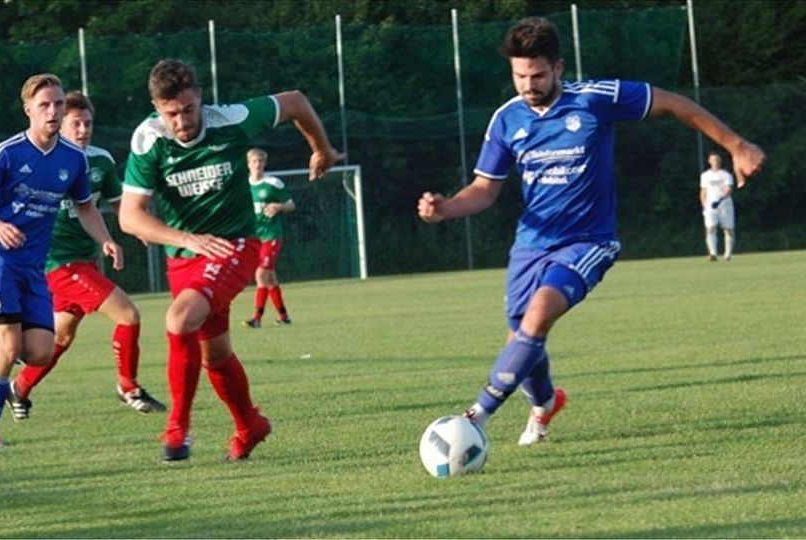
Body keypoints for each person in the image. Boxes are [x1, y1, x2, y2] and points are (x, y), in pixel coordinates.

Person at [417, 17, 764, 448]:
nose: (528, 84)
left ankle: (474, 419)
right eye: (520, 75)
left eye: (538, 74)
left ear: (559, 67)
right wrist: (445, 208)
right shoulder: (507, 120)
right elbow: (485, 190)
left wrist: (736, 145)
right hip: (531, 244)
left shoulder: (595, 99)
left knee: (539, 314)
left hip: (589, 241)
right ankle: (544, 404)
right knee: (522, 340)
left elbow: (675, 103)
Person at [118, 58, 342, 462]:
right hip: (185, 255)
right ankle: (250, 424)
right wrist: (186, 239)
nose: (183, 121)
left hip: (236, 244)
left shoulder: (230, 121)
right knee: (214, 354)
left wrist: (321, 150)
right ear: (157, 109)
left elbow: (294, 101)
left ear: (200, 98)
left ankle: (177, 429)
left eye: (189, 109)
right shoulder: (148, 141)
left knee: (177, 319)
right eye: (171, 114)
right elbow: (130, 216)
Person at [0, 91, 165, 420]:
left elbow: (108, 207)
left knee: (48, 344)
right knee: (128, 315)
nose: (83, 129)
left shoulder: (91, 161)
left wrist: (120, 235)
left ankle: (2, 369)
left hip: (76, 262)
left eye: (88, 123)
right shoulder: (20, 153)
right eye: (76, 123)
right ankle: (128, 387)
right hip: (53, 263)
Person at [242, 147, 296, 329]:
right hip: (254, 237)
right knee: (270, 278)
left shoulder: (273, 183)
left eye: (260, 161)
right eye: (254, 162)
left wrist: (278, 206)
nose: (257, 165)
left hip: (272, 235)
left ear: (265, 163)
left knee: (261, 274)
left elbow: (291, 205)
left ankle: (257, 318)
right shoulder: (243, 185)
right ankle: (284, 317)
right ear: (248, 164)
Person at [700, 150, 736, 261]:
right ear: (709, 161)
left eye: (717, 159)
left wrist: (721, 199)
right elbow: (703, 192)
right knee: (711, 228)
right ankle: (713, 253)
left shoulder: (726, 175)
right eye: (713, 160)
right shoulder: (705, 175)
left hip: (725, 205)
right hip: (711, 206)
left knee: (728, 229)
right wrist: (705, 206)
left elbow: (729, 189)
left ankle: (727, 254)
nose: (715, 162)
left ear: (720, 161)